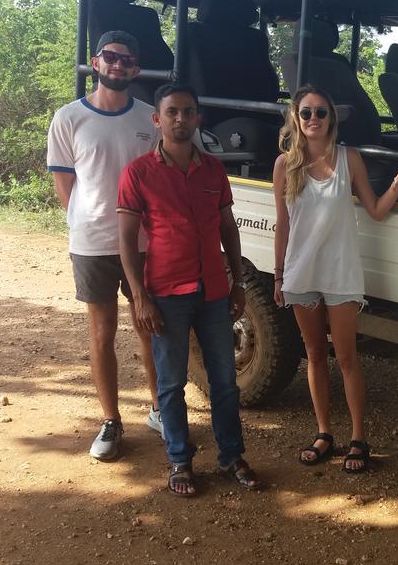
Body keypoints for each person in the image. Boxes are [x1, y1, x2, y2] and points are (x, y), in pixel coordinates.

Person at [273, 85, 398, 473]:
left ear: (332, 118)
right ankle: (324, 433)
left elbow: (376, 210)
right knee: (313, 355)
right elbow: (284, 225)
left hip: (340, 273)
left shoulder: (349, 159)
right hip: (301, 273)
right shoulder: (285, 165)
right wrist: (279, 275)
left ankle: (359, 438)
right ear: (296, 118)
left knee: (346, 358)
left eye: (321, 113)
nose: (314, 119)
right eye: (306, 113)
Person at [117, 83, 262, 497]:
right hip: (165, 291)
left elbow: (227, 229)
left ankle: (232, 455)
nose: (180, 119)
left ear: (198, 118)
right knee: (170, 382)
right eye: (172, 112)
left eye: (188, 112)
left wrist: (238, 282)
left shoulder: (214, 170)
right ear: (157, 118)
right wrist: (140, 295)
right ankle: (180, 460)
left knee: (225, 380)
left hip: (215, 290)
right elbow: (126, 240)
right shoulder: (139, 172)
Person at [47, 30, 162, 461]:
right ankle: (111, 420)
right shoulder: (68, 118)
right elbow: (65, 184)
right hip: (92, 243)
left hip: (146, 243)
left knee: (151, 327)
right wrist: (83, 225)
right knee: (102, 332)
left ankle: (159, 408)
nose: (118, 65)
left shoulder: (151, 119)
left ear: (136, 69)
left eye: (127, 61)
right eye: (111, 57)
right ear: (96, 62)